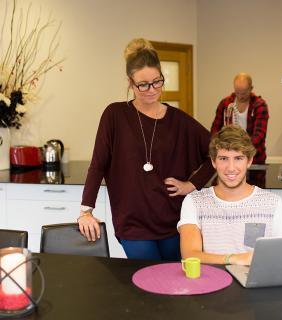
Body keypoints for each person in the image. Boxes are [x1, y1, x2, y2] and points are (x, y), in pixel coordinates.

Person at [78, 38, 214, 261]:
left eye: (157, 82)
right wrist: (86, 211)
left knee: (172, 286)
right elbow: (98, 164)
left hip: (173, 220)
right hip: (133, 223)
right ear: (130, 83)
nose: (151, 90)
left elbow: (217, 153)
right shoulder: (115, 115)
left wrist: (192, 184)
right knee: (146, 280)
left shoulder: (180, 121)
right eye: (143, 84)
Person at [178, 125, 282, 266]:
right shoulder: (194, 201)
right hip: (212, 283)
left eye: (238, 158)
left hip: (253, 284)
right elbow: (190, 255)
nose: (231, 168)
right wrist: (235, 259)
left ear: (249, 161)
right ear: (214, 162)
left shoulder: (272, 203)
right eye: (224, 158)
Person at [211, 72, 269, 164]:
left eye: (244, 93)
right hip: (228, 156)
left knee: (255, 179)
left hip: (254, 158)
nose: (241, 96)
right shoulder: (225, 104)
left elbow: (259, 135)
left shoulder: (259, 105)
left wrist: (241, 151)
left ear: (251, 88)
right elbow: (215, 129)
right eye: (237, 92)